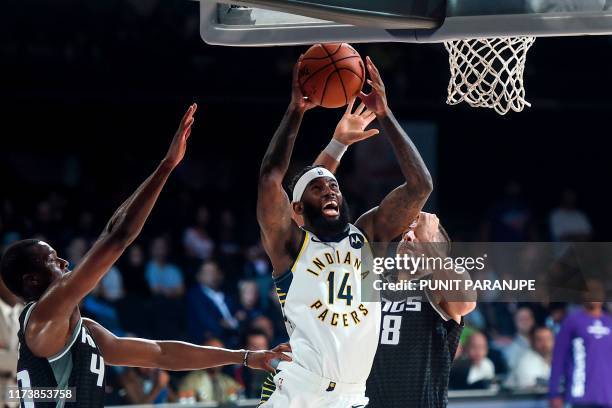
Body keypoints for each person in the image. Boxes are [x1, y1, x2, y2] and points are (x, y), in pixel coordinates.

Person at [0, 104, 290, 407]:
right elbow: (117, 237)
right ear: (33, 281)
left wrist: (244, 356)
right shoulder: (43, 316)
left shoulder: (84, 333)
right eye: (53, 260)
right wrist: (166, 166)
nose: (64, 263)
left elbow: (161, 353)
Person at [257, 55, 433, 407]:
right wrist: (295, 110)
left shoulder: (366, 236)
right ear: (297, 210)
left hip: (353, 396)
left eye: (334, 186)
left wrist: (385, 113)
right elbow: (271, 179)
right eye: (318, 189)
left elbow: (420, 186)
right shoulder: (291, 244)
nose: (329, 190)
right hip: (300, 393)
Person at [549, 279, 612, 408]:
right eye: (590, 291)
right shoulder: (572, 321)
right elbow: (558, 358)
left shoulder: (609, 322)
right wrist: (554, 393)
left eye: (597, 292)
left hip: (607, 396)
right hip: (580, 394)